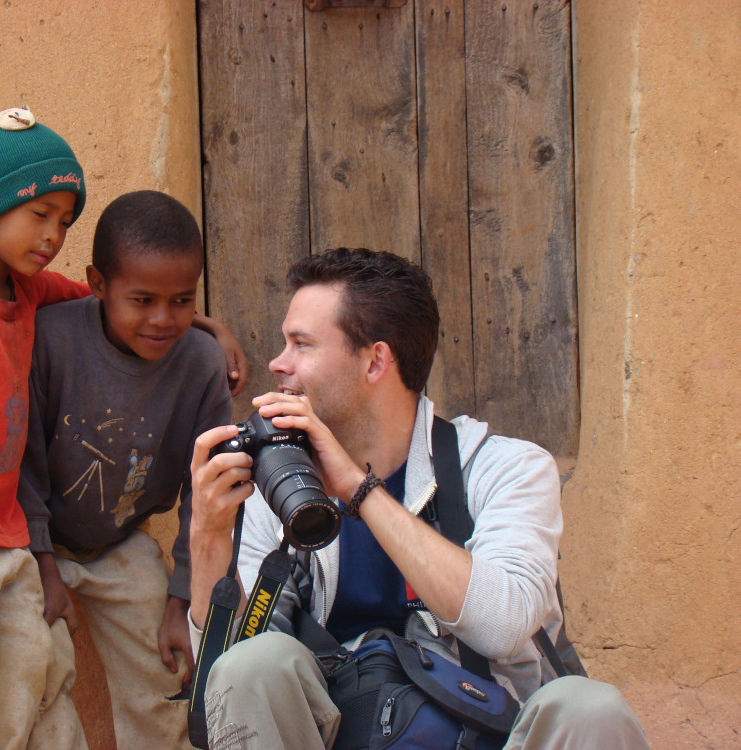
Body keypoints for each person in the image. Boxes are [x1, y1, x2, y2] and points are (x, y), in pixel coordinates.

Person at [0, 108, 245, 750]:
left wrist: (206, 328)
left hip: (21, 536)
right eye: (40, 215)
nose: (54, 234)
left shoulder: (27, 293)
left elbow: (126, 301)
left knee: (33, 676)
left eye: (65, 220)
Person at [188, 248, 650, 749]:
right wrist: (209, 536)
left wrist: (358, 490)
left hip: (483, 731)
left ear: (375, 362)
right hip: (333, 733)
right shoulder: (279, 488)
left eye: (301, 344)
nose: (278, 363)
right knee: (253, 664)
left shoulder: (506, 468)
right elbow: (233, 688)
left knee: (591, 708)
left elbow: (505, 625)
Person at [18, 190, 233, 749]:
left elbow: (204, 494)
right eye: (142, 300)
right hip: (29, 543)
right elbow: (24, 464)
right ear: (97, 284)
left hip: (119, 543)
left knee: (164, 672)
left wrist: (180, 601)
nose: (163, 319)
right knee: (32, 674)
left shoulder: (201, 364)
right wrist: (42, 567)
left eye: (182, 301)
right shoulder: (52, 340)